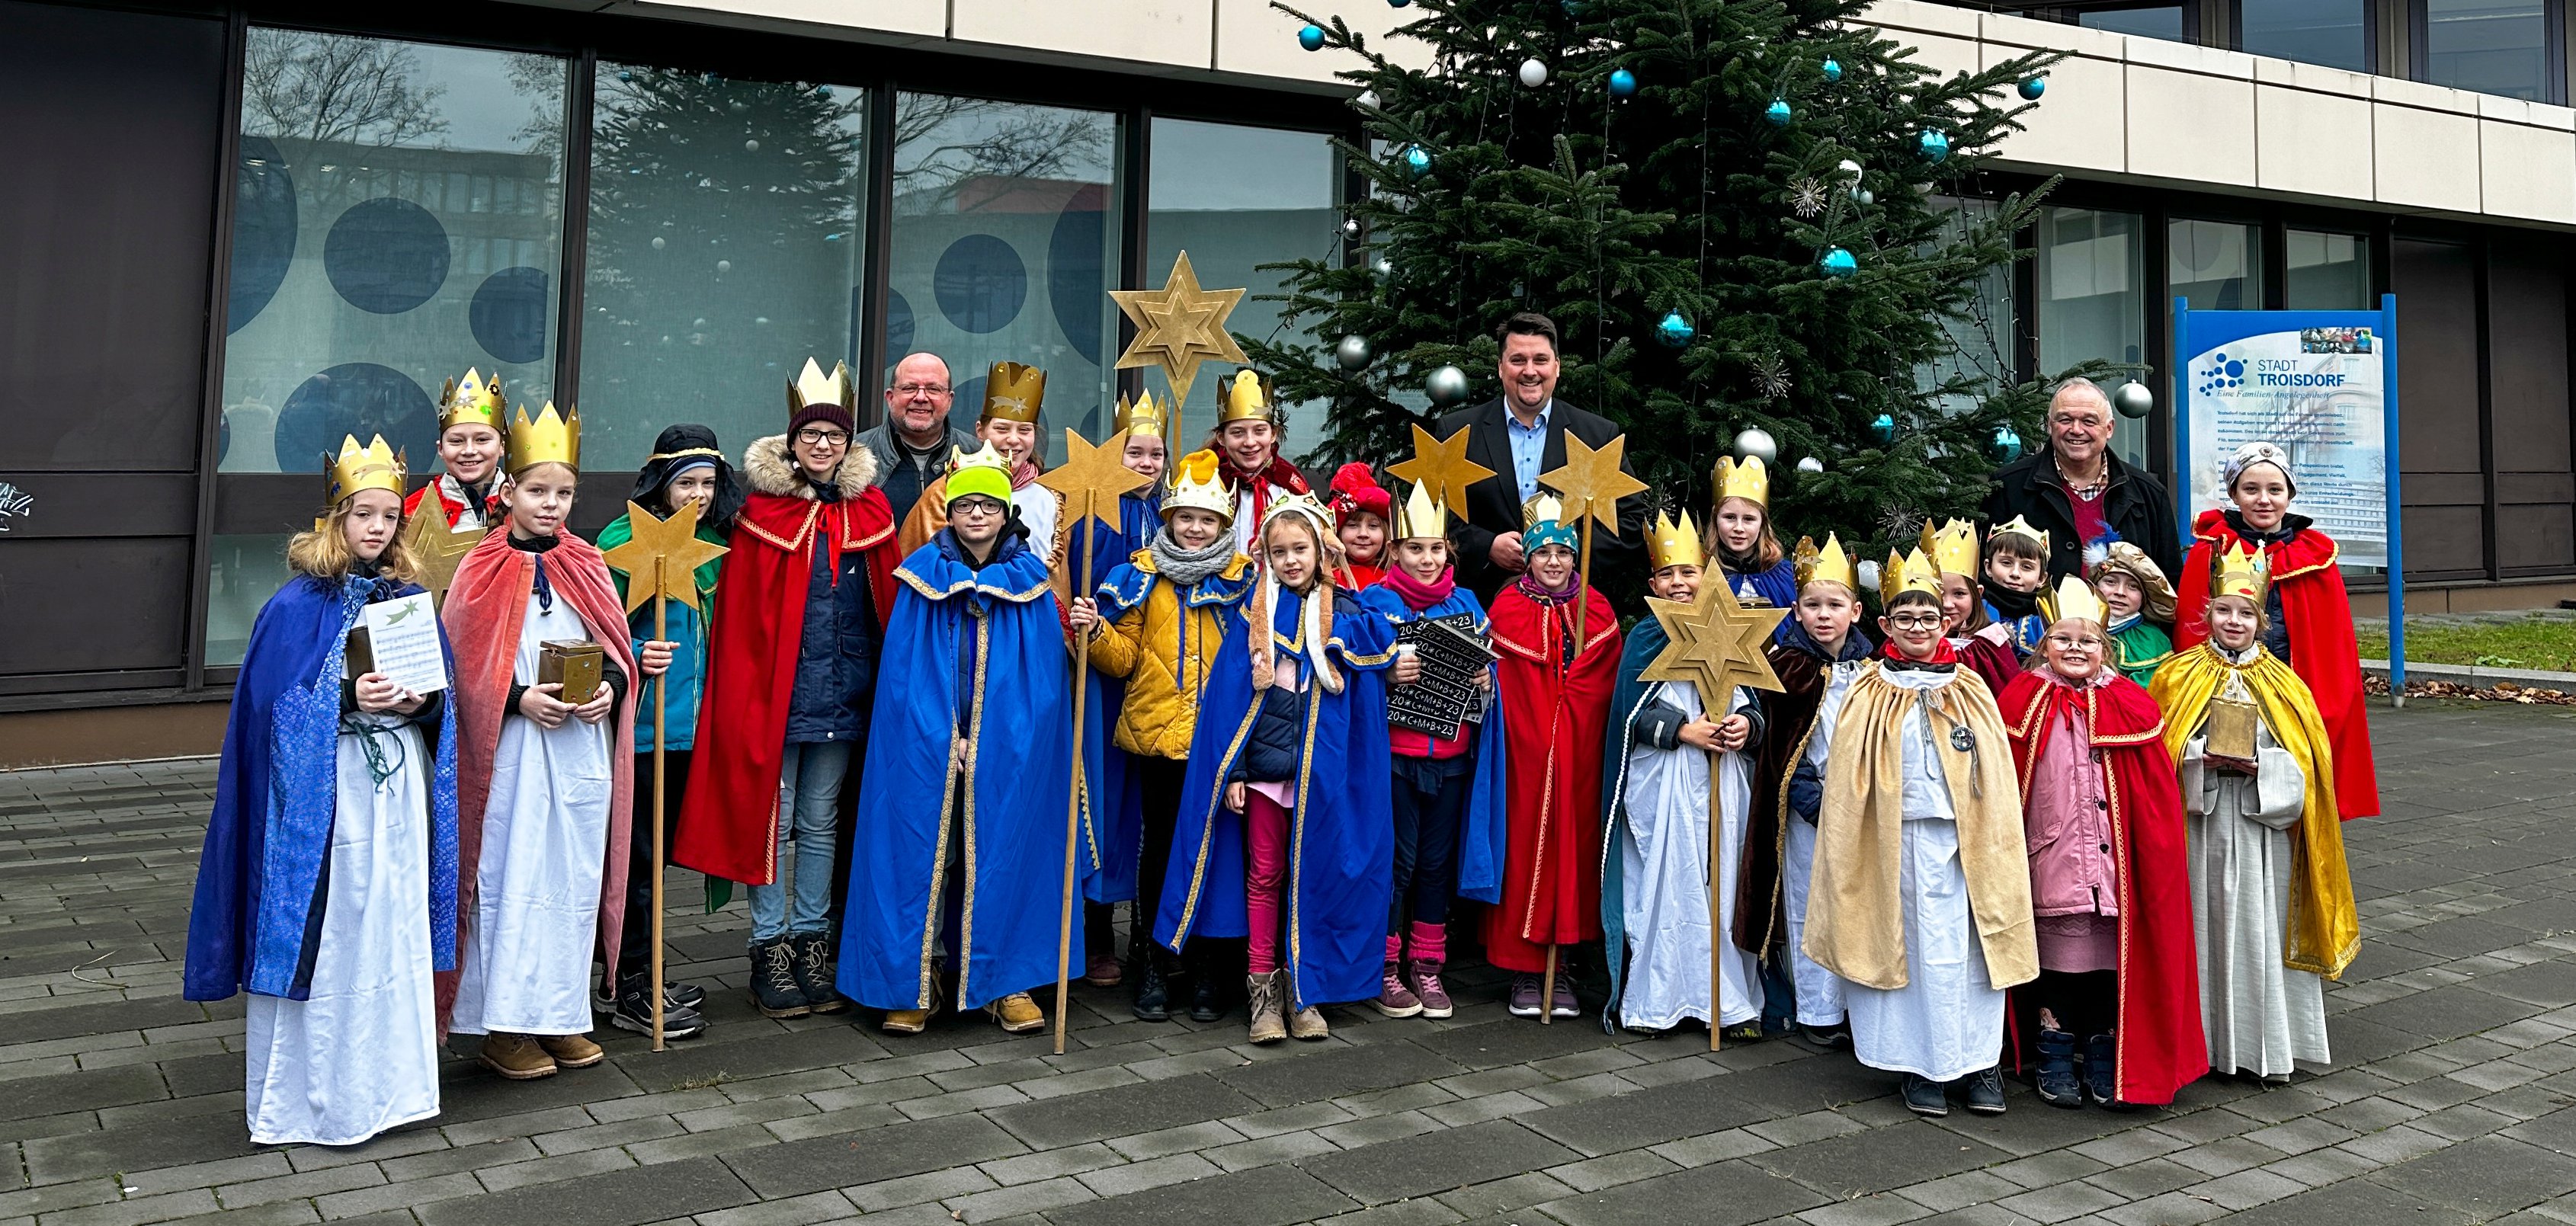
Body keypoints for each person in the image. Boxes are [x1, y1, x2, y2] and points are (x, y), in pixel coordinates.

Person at [186, 435, 457, 1145]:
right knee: (332, 929)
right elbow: (267, 707)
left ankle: (391, 1091)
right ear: (333, 517)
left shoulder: (408, 600)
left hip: (394, 791)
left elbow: (443, 701)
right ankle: (309, 1104)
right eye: (362, 513)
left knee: (388, 928)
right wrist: (343, 693)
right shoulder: (294, 605)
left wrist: (418, 703)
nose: (376, 527)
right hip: (325, 796)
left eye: (390, 516)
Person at [673, 360, 903, 1020]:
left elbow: (887, 600)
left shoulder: (873, 509)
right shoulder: (759, 511)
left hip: (847, 690)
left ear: (849, 443)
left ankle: (811, 938)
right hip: (774, 694)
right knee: (771, 817)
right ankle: (767, 945)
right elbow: (744, 613)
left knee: (822, 821)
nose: (824, 445)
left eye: (835, 435)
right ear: (792, 442)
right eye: (812, 435)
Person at [839, 442, 1074, 1036]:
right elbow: (904, 681)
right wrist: (948, 738)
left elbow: (1042, 688)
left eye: (987, 507)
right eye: (965, 505)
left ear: (1005, 514)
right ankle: (915, 980)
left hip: (1008, 747)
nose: (976, 515)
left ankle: (1005, 981)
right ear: (950, 511)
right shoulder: (920, 579)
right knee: (924, 853)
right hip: (934, 743)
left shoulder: (1031, 582)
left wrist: (995, 739)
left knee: (1004, 850)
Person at [439, 402, 642, 1080]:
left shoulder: (587, 561)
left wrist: (613, 683)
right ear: (509, 491)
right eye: (537, 491)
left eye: (562, 493)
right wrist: (518, 699)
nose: (551, 505)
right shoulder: (479, 568)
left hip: (580, 750)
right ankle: (502, 1025)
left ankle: (558, 1014)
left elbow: (615, 646)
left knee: (570, 880)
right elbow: (462, 667)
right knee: (508, 876)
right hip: (514, 755)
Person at [1158, 493, 1398, 1042]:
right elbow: (1230, 703)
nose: (1292, 559)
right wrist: (1236, 771)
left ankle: (1304, 990)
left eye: (1301, 548)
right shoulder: (1253, 611)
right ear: (1264, 554)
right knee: (1264, 876)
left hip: (1320, 778)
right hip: (1266, 777)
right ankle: (1262, 993)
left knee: (1310, 874)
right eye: (1280, 550)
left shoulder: (1351, 616)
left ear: (1321, 550)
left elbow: (1367, 689)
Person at [1805, 548, 2034, 1119]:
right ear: (1884, 624)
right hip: (1893, 846)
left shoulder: (1973, 688)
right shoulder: (1867, 690)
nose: (1917, 628)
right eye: (1904, 618)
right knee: (1904, 954)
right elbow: (1846, 781)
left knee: (1970, 958)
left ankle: (1980, 1063)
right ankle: (1916, 1066)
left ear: (1948, 622)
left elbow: (1997, 778)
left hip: (1967, 849)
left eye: (1929, 617)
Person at [2151, 542, 2359, 1080]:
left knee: (2262, 929)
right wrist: (2199, 758)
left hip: (2263, 830)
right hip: (2202, 825)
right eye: (2223, 610)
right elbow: (2158, 756)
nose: (2233, 621)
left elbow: (2310, 765)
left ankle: (2264, 1048)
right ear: (2208, 614)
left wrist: (2262, 770)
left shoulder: (2287, 684)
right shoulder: (2176, 676)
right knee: (2202, 928)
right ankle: (2203, 1048)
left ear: (2262, 621)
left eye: (2246, 613)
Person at [1998, 577, 2203, 1109]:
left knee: (2109, 962)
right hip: (2051, 860)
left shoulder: (2129, 703)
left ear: (2104, 647)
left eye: (2087, 640)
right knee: (2059, 960)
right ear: (2044, 645)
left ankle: (2101, 1048)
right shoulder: (2022, 700)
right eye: (2063, 639)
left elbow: (2153, 795)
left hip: (2113, 871)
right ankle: (2054, 1048)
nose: (2075, 649)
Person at [1067, 448, 1252, 1023]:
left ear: (1222, 524)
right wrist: (1094, 632)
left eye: (1206, 520)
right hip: (1156, 739)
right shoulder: (1141, 575)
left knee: (1213, 854)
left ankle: (1205, 966)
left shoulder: (1243, 579)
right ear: (1168, 518)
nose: (1194, 529)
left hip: (1216, 744)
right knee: (1160, 852)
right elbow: (1121, 661)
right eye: (1185, 517)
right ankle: (1149, 958)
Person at [596, 424, 741, 1041]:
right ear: (661, 482)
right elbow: (596, 631)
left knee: (659, 868)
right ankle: (628, 986)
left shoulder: (712, 545)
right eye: (687, 482)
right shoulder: (622, 542)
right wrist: (635, 651)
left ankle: (645, 973)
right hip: (641, 731)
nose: (699, 495)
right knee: (635, 866)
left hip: (691, 732)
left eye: (709, 483)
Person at [1601, 512, 1766, 1038]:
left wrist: (1748, 726)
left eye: (1689, 573)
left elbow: (1759, 705)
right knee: (1666, 888)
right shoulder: (1647, 636)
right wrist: (1680, 730)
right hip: (1666, 785)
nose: (1679, 583)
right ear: (1653, 585)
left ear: (1708, 574)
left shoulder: (1734, 628)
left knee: (1722, 884)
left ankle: (1731, 1003)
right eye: (1668, 575)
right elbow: (1627, 715)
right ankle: (1659, 1000)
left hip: (1723, 785)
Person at [1354, 481, 1508, 1020]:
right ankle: (1385, 967)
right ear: (1394, 551)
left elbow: (1491, 676)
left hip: (1452, 757)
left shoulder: (1467, 603)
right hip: (1395, 756)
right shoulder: (1374, 602)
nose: (1425, 558)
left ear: (1449, 552)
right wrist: (1385, 671)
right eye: (1414, 548)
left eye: (1435, 548)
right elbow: (1351, 678)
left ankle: (1428, 964)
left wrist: (1486, 684)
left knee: (1437, 864)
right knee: (1398, 861)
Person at [2171, 442, 2379, 821]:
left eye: (2275, 490)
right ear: (2234, 493)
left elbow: (2334, 648)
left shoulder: (2316, 560)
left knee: (2288, 786)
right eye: (2250, 489)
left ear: (2290, 494)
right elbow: (2191, 628)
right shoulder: (2210, 550)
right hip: (2223, 687)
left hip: (2292, 691)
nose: (2263, 500)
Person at [1486, 494, 1623, 1020]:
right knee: (1524, 847)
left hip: (1578, 752)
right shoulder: (1506, 608)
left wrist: (1570, 709)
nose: (1553, 562)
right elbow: (1507, 683)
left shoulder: (1598, 608)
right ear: (1528, 557)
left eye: (1563, 553)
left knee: (1574, 845)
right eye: (1543, 552)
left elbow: (1598, 684)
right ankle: (1526, 966)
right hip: (1525, 751)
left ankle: (1560, 962)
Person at [1065, 391, 1172, 991]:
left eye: (1157, 451)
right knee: (1103, 805)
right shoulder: (1091, 512)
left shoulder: (1176, 514)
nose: (1148, 461)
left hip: (1160, 681)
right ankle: (1097, 929)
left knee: (1147, 810)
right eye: (1135, 450)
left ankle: (1151, 938)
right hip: (1105, 678)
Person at [1748, 534, 1873, 1048]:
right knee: (1808, 901)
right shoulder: (1789, 668)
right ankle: (1818, 1009)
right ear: (1796, 611)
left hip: (1862, 811)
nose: (1824, 615)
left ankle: (1859, 1006)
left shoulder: (1873, 671)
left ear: (1856, 609)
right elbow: (1784, 744)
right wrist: (1813, 801)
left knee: (1860, 902)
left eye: (1835, 605)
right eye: (1813, 606)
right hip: (1811, 812)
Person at [1435, 312, 1646, 604]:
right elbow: (1434, 515)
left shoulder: (1597, 435)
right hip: (1480, 605)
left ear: (1557, 367)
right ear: (1500, 367)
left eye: (1541, 360)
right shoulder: (1459, 431)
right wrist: (1487, 546)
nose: (1530, 371)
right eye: (1518, 360)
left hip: (1571, 609)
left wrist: (1563, 555)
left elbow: (1631, 520)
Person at [1981, 378, 2183, 584]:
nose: (2076, 430)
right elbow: (1986, 571)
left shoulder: (2149, 494)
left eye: (2089, 421)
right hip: (2034, 615)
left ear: (2109, 428)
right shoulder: (2007, 486)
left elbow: (2169, 581)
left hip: (2123, 617)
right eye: (2065, 419)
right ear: (2050, 426)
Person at [899, 361, 1059, 555]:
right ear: (980, 431)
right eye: (1002, 429)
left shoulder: (1049, 499)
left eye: (1025, 430)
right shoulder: (944, 493)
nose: (1014, 439)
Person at [857, 352, 974, 523]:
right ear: (890, 398)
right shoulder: (855, 454)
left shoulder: (974, 454)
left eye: (933, 389)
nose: (920, 398)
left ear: (949, 400)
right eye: (909, 388)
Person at [1207, 370, 1312, 554]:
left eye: (1259, 431)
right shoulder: (1207, 482)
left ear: (1273, 434)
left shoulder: (1288, 482)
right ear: (1221, 438)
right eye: (1237, 433)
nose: (1249, 442)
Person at [1922, 518, 2022, 693]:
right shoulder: (1908, 640)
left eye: (1959, 594)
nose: (1947, 604)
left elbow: (2009, 697)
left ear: (1978, 593)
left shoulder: (1990, 646)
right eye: (1938, 593)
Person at [406, 369, 507, 530]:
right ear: (441, 449)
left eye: (482, 440)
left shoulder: (526, 505)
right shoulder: (413, 509)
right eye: (456, 441)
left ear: (502, 446)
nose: (469, 450)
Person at [1704, 456, 1796, 616]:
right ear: (1716, 520)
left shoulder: (1785, 575)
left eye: (1749, 519)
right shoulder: (1702, 574)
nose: (1739, 528)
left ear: (1762, 524)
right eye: (1730, 517)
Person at [2087, 533, 2177, 686]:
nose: (2120, 592)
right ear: (2094, 587)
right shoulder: (2072, 625)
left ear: (2144, 597)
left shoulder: (2153, 640)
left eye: (2132, 586)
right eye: (2110, 582)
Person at [1981, 516, 2052, 655]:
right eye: (2006, 563)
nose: (2015, 573)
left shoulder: (2047, 619)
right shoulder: (1974, 609)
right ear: (1989, 567)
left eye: (2026, 567)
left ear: (2042, 578)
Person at [1327, 463, 1392, 587]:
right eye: (1352, 525)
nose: (1363, 534)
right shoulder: (1327, 580)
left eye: (1373, 526)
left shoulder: (1396, 578)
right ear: (1338, 532)